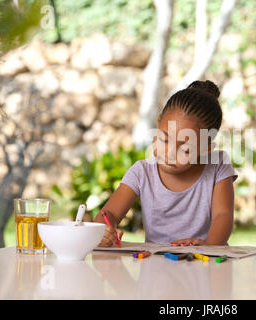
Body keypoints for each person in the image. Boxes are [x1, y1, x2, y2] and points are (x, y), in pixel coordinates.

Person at [94, 80, 238, 246]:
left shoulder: (218, 165)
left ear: (206, 148)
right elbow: (109, 212)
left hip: (205, 263)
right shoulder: (142, 172)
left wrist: (209, 249)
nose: (169, 154)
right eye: (164, 139)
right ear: (158, 124)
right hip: (156, 265)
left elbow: (223, 216)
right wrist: (103, 230)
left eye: (185, 149)